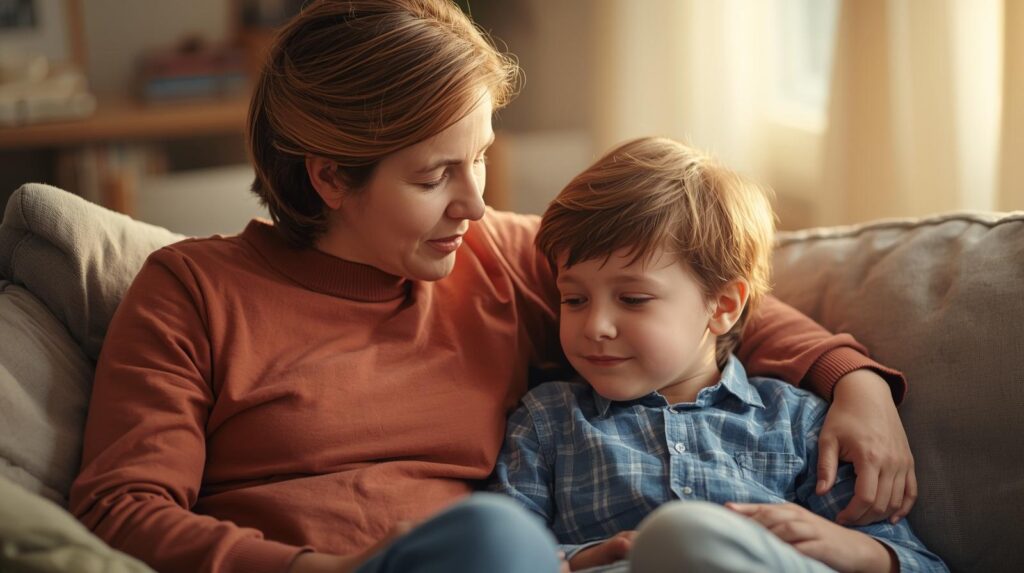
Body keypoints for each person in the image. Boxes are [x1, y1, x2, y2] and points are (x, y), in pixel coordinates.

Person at [68, 2, 915, 573]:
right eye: (434, 175)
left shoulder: (496, 257)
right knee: (490, 534)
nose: (474, 202)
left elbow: (691, 294)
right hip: (386, 559)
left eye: (478, 157)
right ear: (329, 178)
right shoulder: (193, 290)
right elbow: (122, 506)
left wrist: (854, 381)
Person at [489, 137, 945, 573]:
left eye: (633, 299)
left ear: (724, 305)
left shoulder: (796, 421)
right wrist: (583, 558)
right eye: (574, 300)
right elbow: (504, 549)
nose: (595, 327)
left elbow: (922, 564)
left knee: (685, 536)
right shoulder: (548, 420)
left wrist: (853, 549)